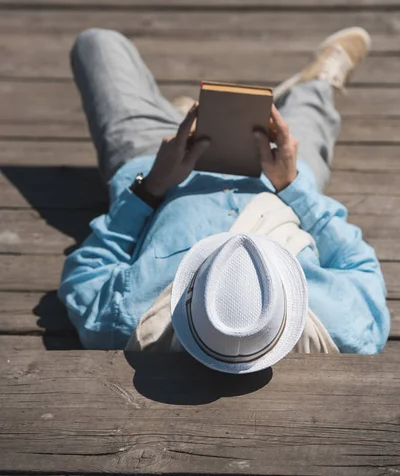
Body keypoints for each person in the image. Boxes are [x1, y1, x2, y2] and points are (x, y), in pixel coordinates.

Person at [58, 26, 390, 372]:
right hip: (278, 174)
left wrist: (151, 186)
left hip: (156, 162)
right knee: (310, 112)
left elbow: (86, 271)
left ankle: (181, 115)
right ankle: (319, 81)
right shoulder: (347, 327)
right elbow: (358, 261)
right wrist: (292, 184)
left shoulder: (125, 321)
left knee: (96, 43)